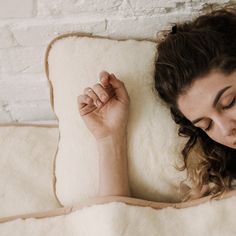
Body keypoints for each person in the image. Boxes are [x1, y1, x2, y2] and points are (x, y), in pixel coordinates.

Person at [77, 5, 236, 201]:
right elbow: (117, 228)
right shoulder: (217, 191)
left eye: (230, 102)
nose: (226, 129)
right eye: (207, 125)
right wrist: (109, 138)